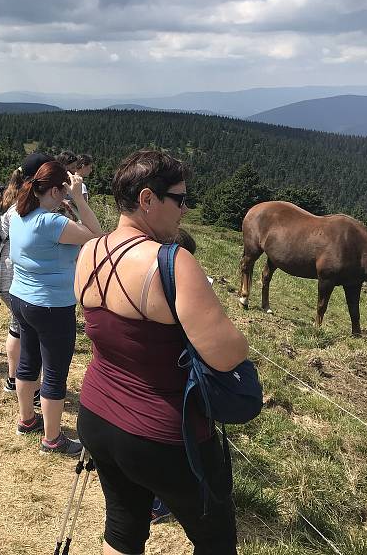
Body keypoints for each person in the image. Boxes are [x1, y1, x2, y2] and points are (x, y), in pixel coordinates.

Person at [74, 149, 249, 555]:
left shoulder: (89, 252)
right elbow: (226, 355)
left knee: (123, 526)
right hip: (166, 433)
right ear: (147, 199)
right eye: (180, 199)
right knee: (216, 539)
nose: (186, 210)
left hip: (98, 414)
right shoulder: (172, 262)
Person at [9, 160, 102, 456]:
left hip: (21, 299)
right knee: (54, 374)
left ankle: (27, 419)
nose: (64, 197)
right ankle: (52, 439)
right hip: (52, 305)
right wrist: (77, 196)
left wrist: (69, 195)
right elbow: (97, 234)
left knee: (27, 362)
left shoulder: (19, 215)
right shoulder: (52, 223)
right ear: (53, 190)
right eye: (61, 191)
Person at [0, 152, 52, 401]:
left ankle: (12, 378)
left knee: (17, 328)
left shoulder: (10, 198)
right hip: (17, 277)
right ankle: (32, 389)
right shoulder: (26, 205)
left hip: (3, 274)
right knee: (30, 334)